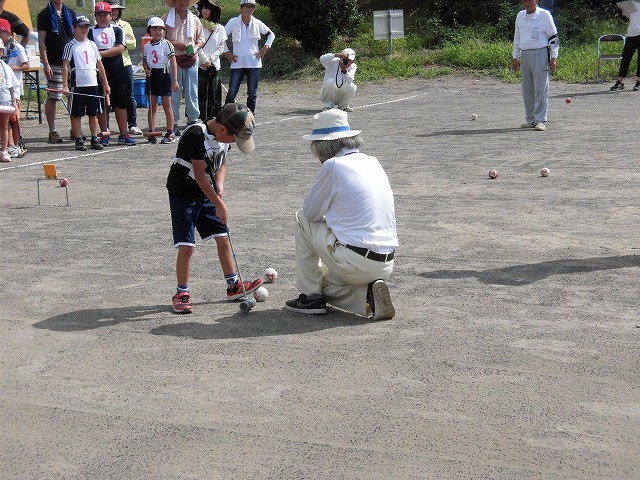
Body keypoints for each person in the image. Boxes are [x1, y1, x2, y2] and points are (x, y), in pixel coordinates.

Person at [284, 109, 398, 321]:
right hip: (386, 263)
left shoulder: (332, 165)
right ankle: (367, 295)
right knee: (324, 282)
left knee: (301, 219)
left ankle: (310, 297)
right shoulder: (373, 161)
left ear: (321, 147)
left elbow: (310, 213)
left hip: (355, 263)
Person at [166, 103, 263, 313]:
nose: (234, 143)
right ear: (221, 130)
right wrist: (220, 205)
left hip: (206, 192)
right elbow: (200, 176)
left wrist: (219, 185)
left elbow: (221, 164)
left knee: (223, 237)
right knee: (187, 246)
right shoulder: (195, 135)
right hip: (183, 194)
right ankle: (181, 292)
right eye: (234, 139)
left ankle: (233, 285)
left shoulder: (223, 138)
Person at [89, 2, 136, 147]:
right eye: (99, 15)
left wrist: (99, 54)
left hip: (117, 70)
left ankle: (124, 133)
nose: (102, 17)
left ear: (111, 15)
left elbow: (120, 48)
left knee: (121, 103)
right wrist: (98, 56)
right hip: (97, 71)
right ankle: (104, 132)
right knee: (102, 104)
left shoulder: (117, 30)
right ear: (96, 16)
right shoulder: (90, 31)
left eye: (105, 14)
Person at [62, 14, 109, 152]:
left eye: (86, 27)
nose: (84, 30)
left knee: (93, 113)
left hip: (92, 83)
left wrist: (105, 83)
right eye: (81, 27)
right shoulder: (70, 45)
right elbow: (65, 65)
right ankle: (78, 139)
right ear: (74, 28)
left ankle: (94, 138)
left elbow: (100, 65)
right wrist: (65, 85)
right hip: (78, 84)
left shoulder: (92, 45)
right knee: (76, 113)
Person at [511, 0, 559, 132]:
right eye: (524, 0)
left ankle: (540, 120)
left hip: (540, 53)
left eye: (530, 0)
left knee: (540, 88)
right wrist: (515, 55)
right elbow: (517, 37)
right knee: (527, 89)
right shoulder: (520, 16)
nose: (526, 3)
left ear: (537, 0)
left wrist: (554, 56)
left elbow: (553, 37)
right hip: (525, 54)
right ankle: (531, 119)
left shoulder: (544, 15)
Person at [223, 0, 275, 114]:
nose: (249, 9)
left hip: (254, 63)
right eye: (246, 6)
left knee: (252, 93)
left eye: (251, 7)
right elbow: (221, 37)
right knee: (232, 92)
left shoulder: (257, 22)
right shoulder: (233, 22)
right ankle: (225, 116)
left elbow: (271, 34)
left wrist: (265, 48)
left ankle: (249, 116)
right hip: (237, 63)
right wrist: (227, 52)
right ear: (241, 8)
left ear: (254, 9)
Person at [37, 0, 77, 143]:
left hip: (72, 61)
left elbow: (76, 36)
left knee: (73, 95)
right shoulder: (44, 14)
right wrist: (46, 63)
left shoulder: (71, 13)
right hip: (55, 61)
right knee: (54, 96)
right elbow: (41, 41)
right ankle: (52, 130)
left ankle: (75, 128)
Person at [163, 0, 204, 136]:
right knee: (174, 91)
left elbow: (201, 40)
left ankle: (193, 119)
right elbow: (160, 39)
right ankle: (173, 121)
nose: (182, 1)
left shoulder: (195, 19)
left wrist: (195, 48)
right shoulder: (165, 18)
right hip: (173, 58)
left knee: (192, 90)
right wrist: (174, 43)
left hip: (191, 58)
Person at [143, 16, 179, 144]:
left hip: (163, 74)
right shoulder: (147, 46)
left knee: (166, 105)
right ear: (150, 31)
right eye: (155, 29)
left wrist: (174, 80)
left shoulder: (166, 44)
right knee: (152, 106)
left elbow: (173, 61)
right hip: (152, 76)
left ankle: (170, 131)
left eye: (160, 29)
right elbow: (145, 60)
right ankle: (151, 131)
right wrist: (146, 69)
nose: (158, 32)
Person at [109, 0, 142, 135]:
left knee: (129, 94)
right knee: (107, 96)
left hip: (125, 63)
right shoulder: (101, 26)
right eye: (111, 9)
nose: (114, 12)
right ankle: (105, 127)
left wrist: (119, 40)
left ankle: (132, 124)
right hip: (109, 64)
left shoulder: (125, 25)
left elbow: (133, 43)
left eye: (117, 9)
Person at [0, 18, 27, 158]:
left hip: (13, 86)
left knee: (14, 118)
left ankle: (16, 144)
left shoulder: (17, 47)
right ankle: (9, 145)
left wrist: (11, 68)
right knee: (5, 120)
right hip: (2, 89)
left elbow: (26, 65)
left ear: (7, 32)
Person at [196, 0, 227, 120]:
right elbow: (195, 44)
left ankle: (214, 117)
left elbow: (221, 47)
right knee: (200, 92)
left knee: (213, 93)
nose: (204, 10)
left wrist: (211, 60)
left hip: (214, 66)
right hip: (200, 65)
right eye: (203, 8)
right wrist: (204, 59)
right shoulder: (197, 25)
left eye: (207, 8)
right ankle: (199, 117)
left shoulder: (220, 28)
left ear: (213, 11)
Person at [609, 7, 640, 92]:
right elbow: (625, 19)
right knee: (626, 57)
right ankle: (620, 81)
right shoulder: (630, 4)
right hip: (631, 34)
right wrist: (619, 11)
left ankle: (638, 81)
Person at [0, 37, 19, 163]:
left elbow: (12, 87)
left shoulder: (5, 67)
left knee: (3, 125)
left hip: (4, 101)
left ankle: (4, 150)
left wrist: (14, 101)